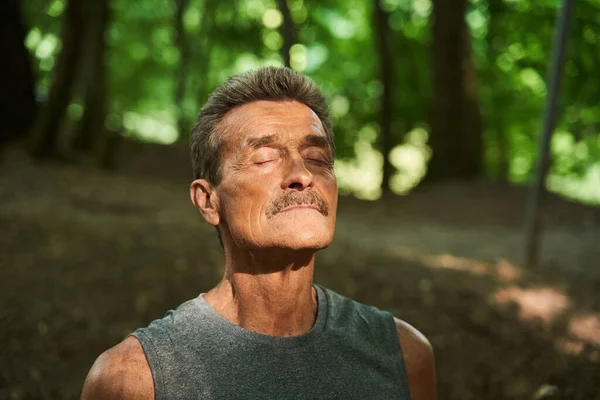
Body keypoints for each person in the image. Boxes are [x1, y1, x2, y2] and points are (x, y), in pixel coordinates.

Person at [81, 67, 436, 399]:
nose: (302, 174)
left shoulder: (403, 356)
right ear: (208, 201)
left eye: (316, 157)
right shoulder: (132, 379)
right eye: (265, 158)